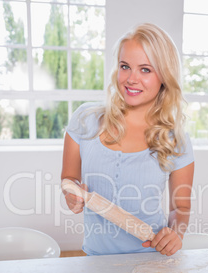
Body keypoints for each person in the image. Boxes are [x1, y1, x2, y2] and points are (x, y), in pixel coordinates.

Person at [61, 22, 194, 257]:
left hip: (151, 259)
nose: (131, 79)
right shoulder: (86, 120)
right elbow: (69, 178)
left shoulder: (175, 139)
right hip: (95, 260)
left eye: (145, 69)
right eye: (125, 66)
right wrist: (72, 194)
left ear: (164, 75)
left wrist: (176, 233)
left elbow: (180, 208)